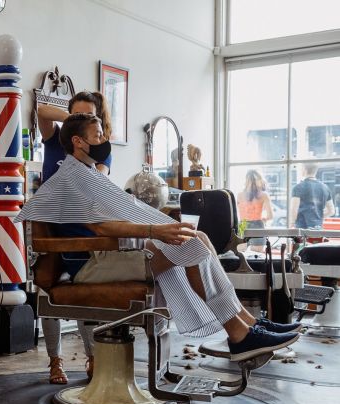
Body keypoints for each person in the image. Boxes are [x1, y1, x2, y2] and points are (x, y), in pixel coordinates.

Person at [16, 113, 301, 366]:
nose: (104, 139)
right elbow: (100, 226)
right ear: (78, 141)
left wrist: (161, 229)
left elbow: (114, 216)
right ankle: (238, 334)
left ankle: (247, 324)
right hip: (90, 264)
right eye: (98, 135)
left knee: (196, 236)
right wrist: (155, 231)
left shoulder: (87, 173)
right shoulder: (69, 178)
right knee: (189, 245)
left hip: (108, 256)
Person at [35, 91, 112, 384]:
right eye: (75, 113)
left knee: (85, 291)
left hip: (80, 230)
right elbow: (42, 110)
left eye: (89, 117)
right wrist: (74, 124)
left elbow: (100, 179)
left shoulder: (100, 149)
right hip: (51, 230)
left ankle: (93, 355)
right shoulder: (55, 139)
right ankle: (55, 361)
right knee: (48, 291)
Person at [236, 170, 273, 252]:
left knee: (241, 256)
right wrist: (264, 219)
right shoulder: (264, 195)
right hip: (257, 226)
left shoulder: (239, 195)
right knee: (257, 257)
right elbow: (270, 216)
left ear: (246, 181)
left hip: (242, 225)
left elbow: (236, 214)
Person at [290, 164, 334, 229]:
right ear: (316, 171)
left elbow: (294, 210)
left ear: (304, 169)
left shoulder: (298, 187)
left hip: (302, 228)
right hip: (318, 228)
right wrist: (318, 217)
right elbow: (331, 211)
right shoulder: (325, 188)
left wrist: (292, 223)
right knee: (316, 239)